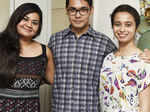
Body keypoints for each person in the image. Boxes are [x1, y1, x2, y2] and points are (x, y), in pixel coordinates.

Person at [48, 0, 150, 111]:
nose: (78, 15)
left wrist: (146, 55)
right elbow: (45, 70)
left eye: (83, 9)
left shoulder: (104, 43)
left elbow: (127, 59)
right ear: (66, 11)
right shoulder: (55, 40)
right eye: (73, 10)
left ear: (91, 10)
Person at [0, 3, 54, 112]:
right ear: (16, 19)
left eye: (35, 23)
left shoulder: (45, 52)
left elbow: (53, 80)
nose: (29, 25)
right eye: (25, 19)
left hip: (31, 108)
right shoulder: (1, 44)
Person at [99, 4, 150, 112]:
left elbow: (145, 108)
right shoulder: (108, 59)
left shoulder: (144, 61)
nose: (122, 29)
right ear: (112, 27)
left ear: (136, 27)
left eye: (128, 24)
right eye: (117, 24)